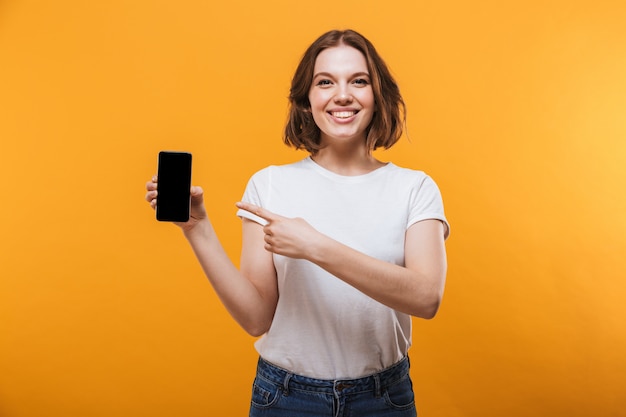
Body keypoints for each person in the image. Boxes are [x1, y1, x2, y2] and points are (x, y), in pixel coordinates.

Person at [146, 29, 449, 417]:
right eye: (326, 82)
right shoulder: (270, 184)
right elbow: (256, 319)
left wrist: (315, 246)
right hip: (287, 398)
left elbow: (426, 298)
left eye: (359, 81)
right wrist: (197, 228)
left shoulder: (415, 188)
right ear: (308, 99)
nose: (342, 95)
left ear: (378, 96)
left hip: (383, 398)